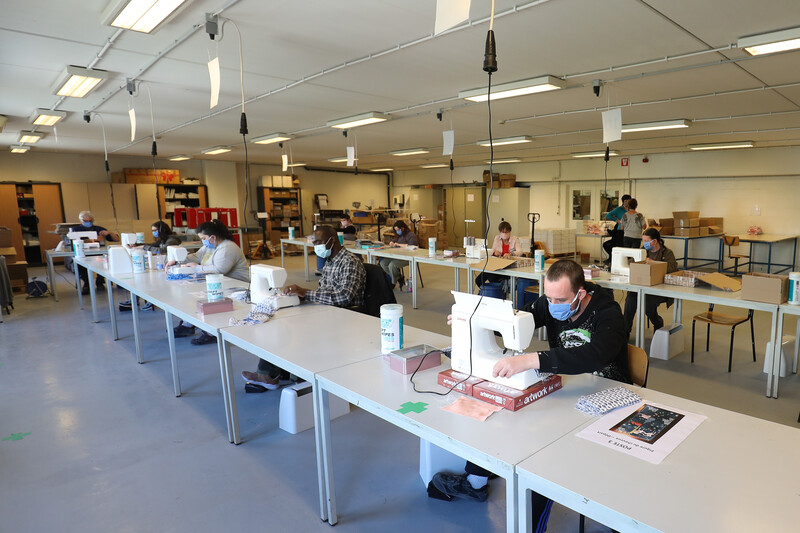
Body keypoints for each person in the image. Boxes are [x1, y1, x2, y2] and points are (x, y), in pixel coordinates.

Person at [431, 259, 629, 532]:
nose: (551, 304)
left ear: (580, 294)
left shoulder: (608, 312)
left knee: (542, 459)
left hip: (607, 394)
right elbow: (516, 320)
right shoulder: (549, 304)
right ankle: (475, 480)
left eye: (559, 299)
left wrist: (531, 360)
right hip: (566, 385)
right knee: (498, 410)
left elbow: (596, 356)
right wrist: (474, 319)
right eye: (548, 297)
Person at [241, 225, 366, 389]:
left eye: (319, 242)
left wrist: (307, 294)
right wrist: (300, 294)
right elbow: (324, 291)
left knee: (297, 328)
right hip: (329, 309)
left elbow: (344, 297)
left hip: (348, 314)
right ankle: (271, 372)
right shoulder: (329, 262)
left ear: (332, 240)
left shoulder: (349, 262)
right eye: (314, 242)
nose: (316, 246)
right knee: (282, 323)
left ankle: (285, 374)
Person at [168, 219, 249, 345]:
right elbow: (196, 257)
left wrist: (196, 268)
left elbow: (219, 270)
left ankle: (210, 332)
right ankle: (188, 324)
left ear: (212, 237)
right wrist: (178, 260)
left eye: (203, 238)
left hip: (236, 285)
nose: (202, 241)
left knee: (201, 296)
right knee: (190, 294)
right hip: (221, 282)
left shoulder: (228, 247)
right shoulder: (210, 247)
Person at [623, 228, 678, 333]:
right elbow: (631, 263)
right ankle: (625, 331)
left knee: (647, 303)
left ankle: (657, 322)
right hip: (643, 286)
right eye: (643, 241)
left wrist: (654, 263)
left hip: (659, 289)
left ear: (655, 241)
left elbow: (672, 268)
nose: (644, 243)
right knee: (630, 299)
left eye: (646, 241)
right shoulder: (643, 251)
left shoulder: (667, 253)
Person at [119, 221, 181, 312]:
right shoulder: (163, 239)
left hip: (171, 267)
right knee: (141, 278)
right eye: (152, 231)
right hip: (164, 265)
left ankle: (151, 302)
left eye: (155, 230)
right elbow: (151, 245)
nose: (154, 232)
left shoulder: (172, 240)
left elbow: (162, 250)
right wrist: (136, 245)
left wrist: (143, 247)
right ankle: (135, 301)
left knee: (149, 280)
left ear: (162, 230)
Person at [70, 210, 119, 294]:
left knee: (104, 262)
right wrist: (91, 240)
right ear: (81, 220)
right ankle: (87, 283)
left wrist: (109, 233)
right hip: (83, 253)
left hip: (98, 252)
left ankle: (100, 282)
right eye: (86, 221)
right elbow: (74, 242)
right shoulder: (75, 230)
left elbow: (117, 239)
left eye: (90, 221)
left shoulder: (99, 229)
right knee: (80, 265)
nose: (88, 223)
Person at [474, 221, 522, 289]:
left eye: (506, 232)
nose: (504, 234)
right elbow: (492, 251)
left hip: (508, 267)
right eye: (503, 232)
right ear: (500, 232)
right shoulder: (497, 238)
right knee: (478, 280)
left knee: (493, 279)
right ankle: (486, 292)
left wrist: (511, 254)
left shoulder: (515, 239)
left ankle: (497, 293)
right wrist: (495, 253)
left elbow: (520, 251)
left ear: (510, 232)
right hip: (496, 266)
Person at [379, 220, 418, 292]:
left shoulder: (411, 235)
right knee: (383, 263)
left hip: (408, 257)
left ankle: (393, 282)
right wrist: (392, 242)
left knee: (392, 265)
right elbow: (395, 240)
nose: (397, 232)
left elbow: (413, 246)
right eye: (396, 230)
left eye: (398, 230)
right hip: (398, 256)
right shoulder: (399, 236)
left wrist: (398, 244)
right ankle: (398, 277)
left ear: (402, 228)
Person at [602, 194, 631, 263]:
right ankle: (614, 260)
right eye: (628, 201)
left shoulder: (630, 209)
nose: (629, 203)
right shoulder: (619, 209)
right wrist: (616, 220)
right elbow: (608, 215)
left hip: (628, 230)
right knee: (618, 246)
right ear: (625, 201)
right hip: (620, 230)